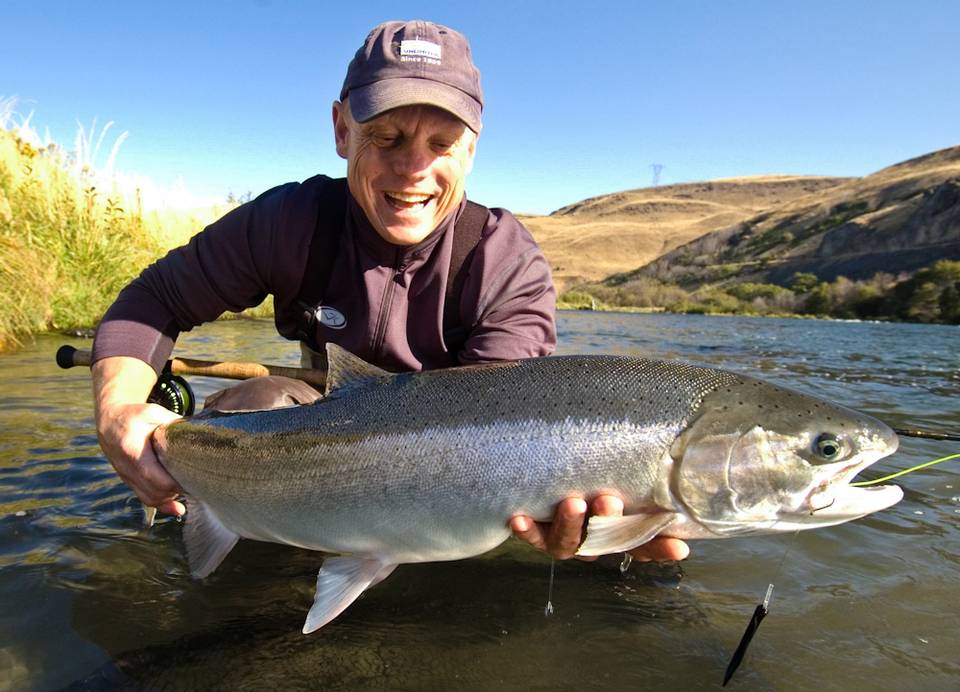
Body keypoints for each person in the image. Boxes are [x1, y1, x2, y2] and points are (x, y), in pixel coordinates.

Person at [90, 19, 688, 565]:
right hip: (320, 420)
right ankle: (223, 525)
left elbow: (501, 442)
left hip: (443, 471)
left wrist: (588, 521)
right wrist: (118, 413)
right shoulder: (291, 222)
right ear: (342, 131)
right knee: (258, 404)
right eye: (390, 137)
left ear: (472, 149)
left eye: (441, 144)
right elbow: (151, 301)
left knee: (594, 550)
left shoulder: (505, 262)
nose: (413, 169)